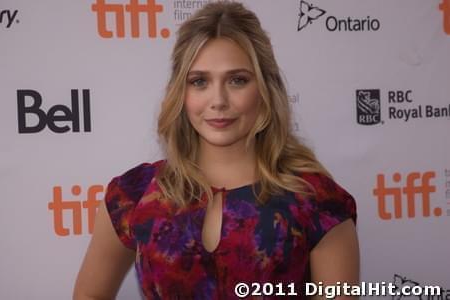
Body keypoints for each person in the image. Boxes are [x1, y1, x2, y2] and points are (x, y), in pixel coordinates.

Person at [73, 1, 359, 299]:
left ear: (264, 88)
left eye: (237, 80)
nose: (218, 100)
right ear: (180, 93)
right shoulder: (133, 195)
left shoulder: (317, 201)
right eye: (199, 81)